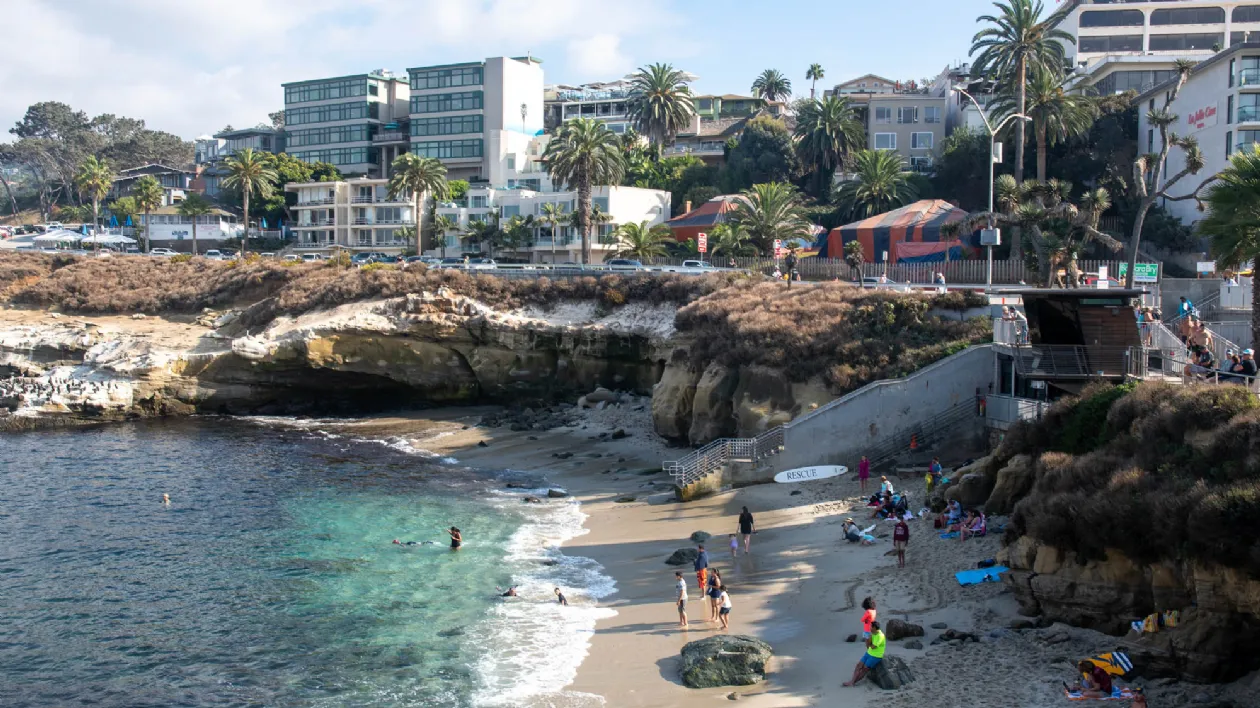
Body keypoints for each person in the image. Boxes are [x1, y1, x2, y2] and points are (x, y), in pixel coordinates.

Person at [842, 620, 886, 687]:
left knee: (864, 669)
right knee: (859, 665)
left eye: (871, 627)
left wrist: (869, 639)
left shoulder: (880, 636)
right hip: (869, 653)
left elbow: (873, 647)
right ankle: (852, 681)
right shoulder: (873, 634)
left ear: (874, 628)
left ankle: (853, 682)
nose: (870, 628)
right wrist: (867, 639)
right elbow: (868, 647)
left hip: (876, 656)